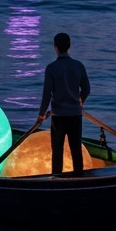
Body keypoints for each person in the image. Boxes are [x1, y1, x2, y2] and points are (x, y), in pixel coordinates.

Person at [37, 32, 91, 175]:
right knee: (76, 150)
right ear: (69, 46)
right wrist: (80, 100)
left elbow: (47, 94)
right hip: (75, 115)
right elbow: (86, 88)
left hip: (58, 116)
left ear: (55, 47)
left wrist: (41, 114)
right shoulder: (78, 66)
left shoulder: (51, 68)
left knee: (57, 151)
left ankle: (57, 178)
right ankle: (79, 178)